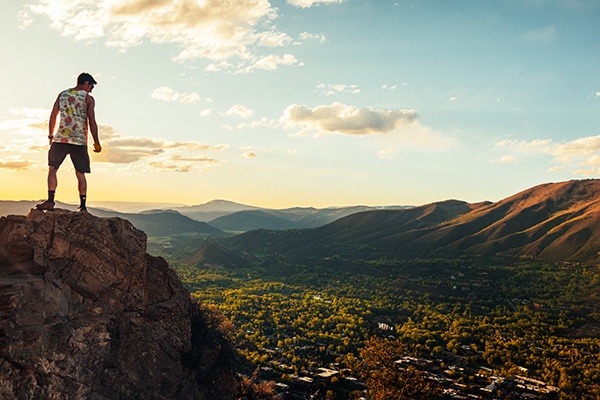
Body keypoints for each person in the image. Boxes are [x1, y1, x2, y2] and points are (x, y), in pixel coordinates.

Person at [36, 72, 102, 212]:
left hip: (61, 138)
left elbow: (53, 114)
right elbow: (92, 121)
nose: (90, 90)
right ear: (86, 83)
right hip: (79, 140)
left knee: (53, 168)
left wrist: (50, 135)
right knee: (80, 173)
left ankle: (50, 200)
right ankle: (83, 206)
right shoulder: (88, 98)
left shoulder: (63, 95)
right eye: (91, 87)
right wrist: (96, 142)